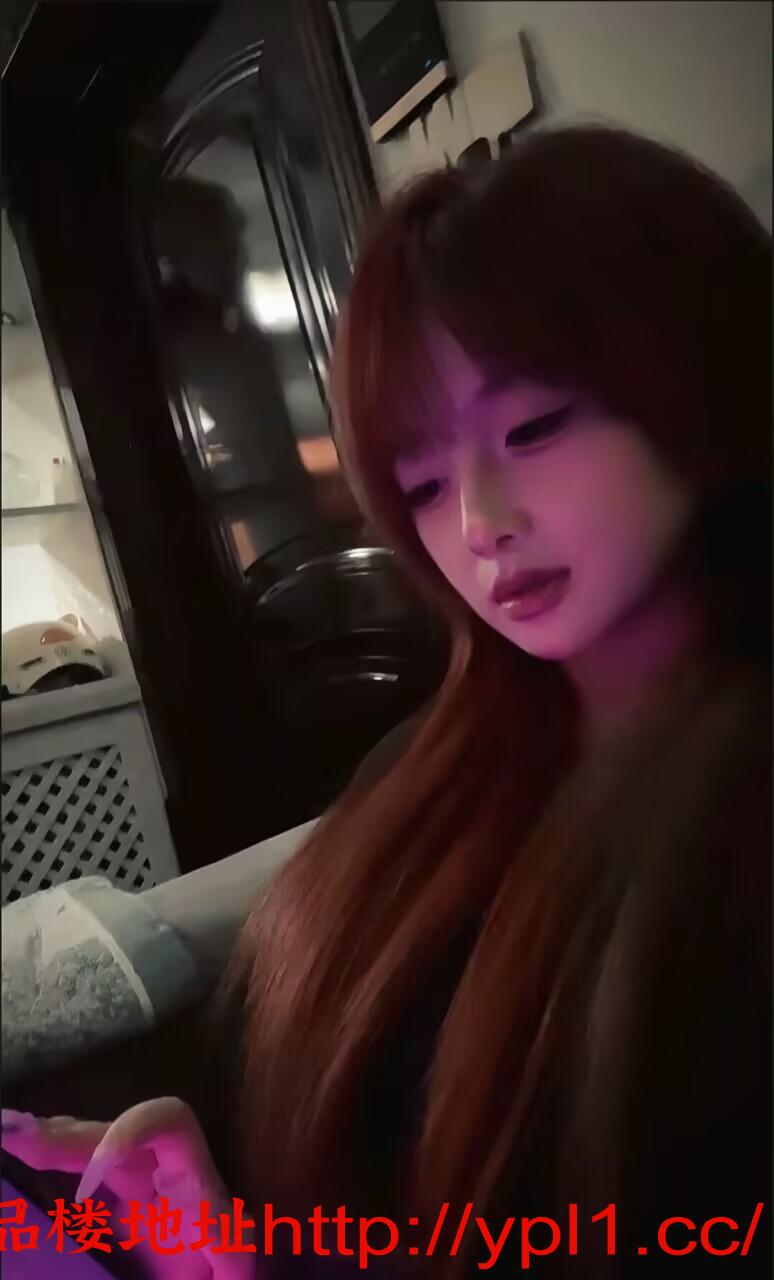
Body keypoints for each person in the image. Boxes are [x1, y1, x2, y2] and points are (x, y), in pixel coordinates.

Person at [2, 123, 771, 1278]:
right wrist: (227, 1223)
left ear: (698, 379)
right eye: (419, 477)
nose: (477, 520)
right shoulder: (428, 762)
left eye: (533, 426)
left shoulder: (737, 822)